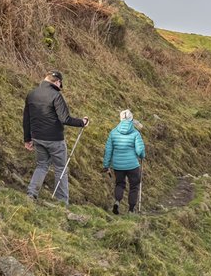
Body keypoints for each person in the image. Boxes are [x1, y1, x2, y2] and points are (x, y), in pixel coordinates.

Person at [23, 70, 89, 204]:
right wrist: (82, 122)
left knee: (41, 165)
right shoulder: (56, 96)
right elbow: (65, 119)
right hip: (55, 140)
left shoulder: (31, 94)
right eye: (60, 84)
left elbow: (26, 119)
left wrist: (27, 139)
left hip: (38, 138)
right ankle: (62, 201)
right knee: (61, 169)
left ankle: (31, 194)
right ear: (57, 82)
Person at [103, 109, 146, 214]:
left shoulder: (113, 132)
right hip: (132, 165)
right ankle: (131, 210)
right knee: (134, 186)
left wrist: (106, 165)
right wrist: (142, 156)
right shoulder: (135, 133)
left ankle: (117, 202)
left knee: (120, 184)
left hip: (118, 165)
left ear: (120, 119)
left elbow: (108, 150)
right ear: (131, 119)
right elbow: (140, 150)